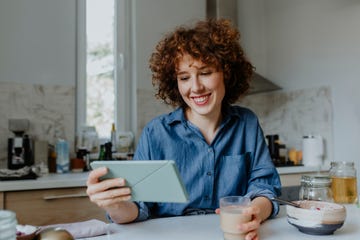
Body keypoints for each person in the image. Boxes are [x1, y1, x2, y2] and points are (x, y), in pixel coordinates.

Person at [87, 18, 281, 240]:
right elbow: (138, 208)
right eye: (184, 77)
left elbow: (265, 189)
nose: (196, 87)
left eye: (206, 72)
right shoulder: (156, 133)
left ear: (226, 72)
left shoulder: (246, 123)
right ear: (175, 83)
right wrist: (115, 205)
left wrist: (255, 212)